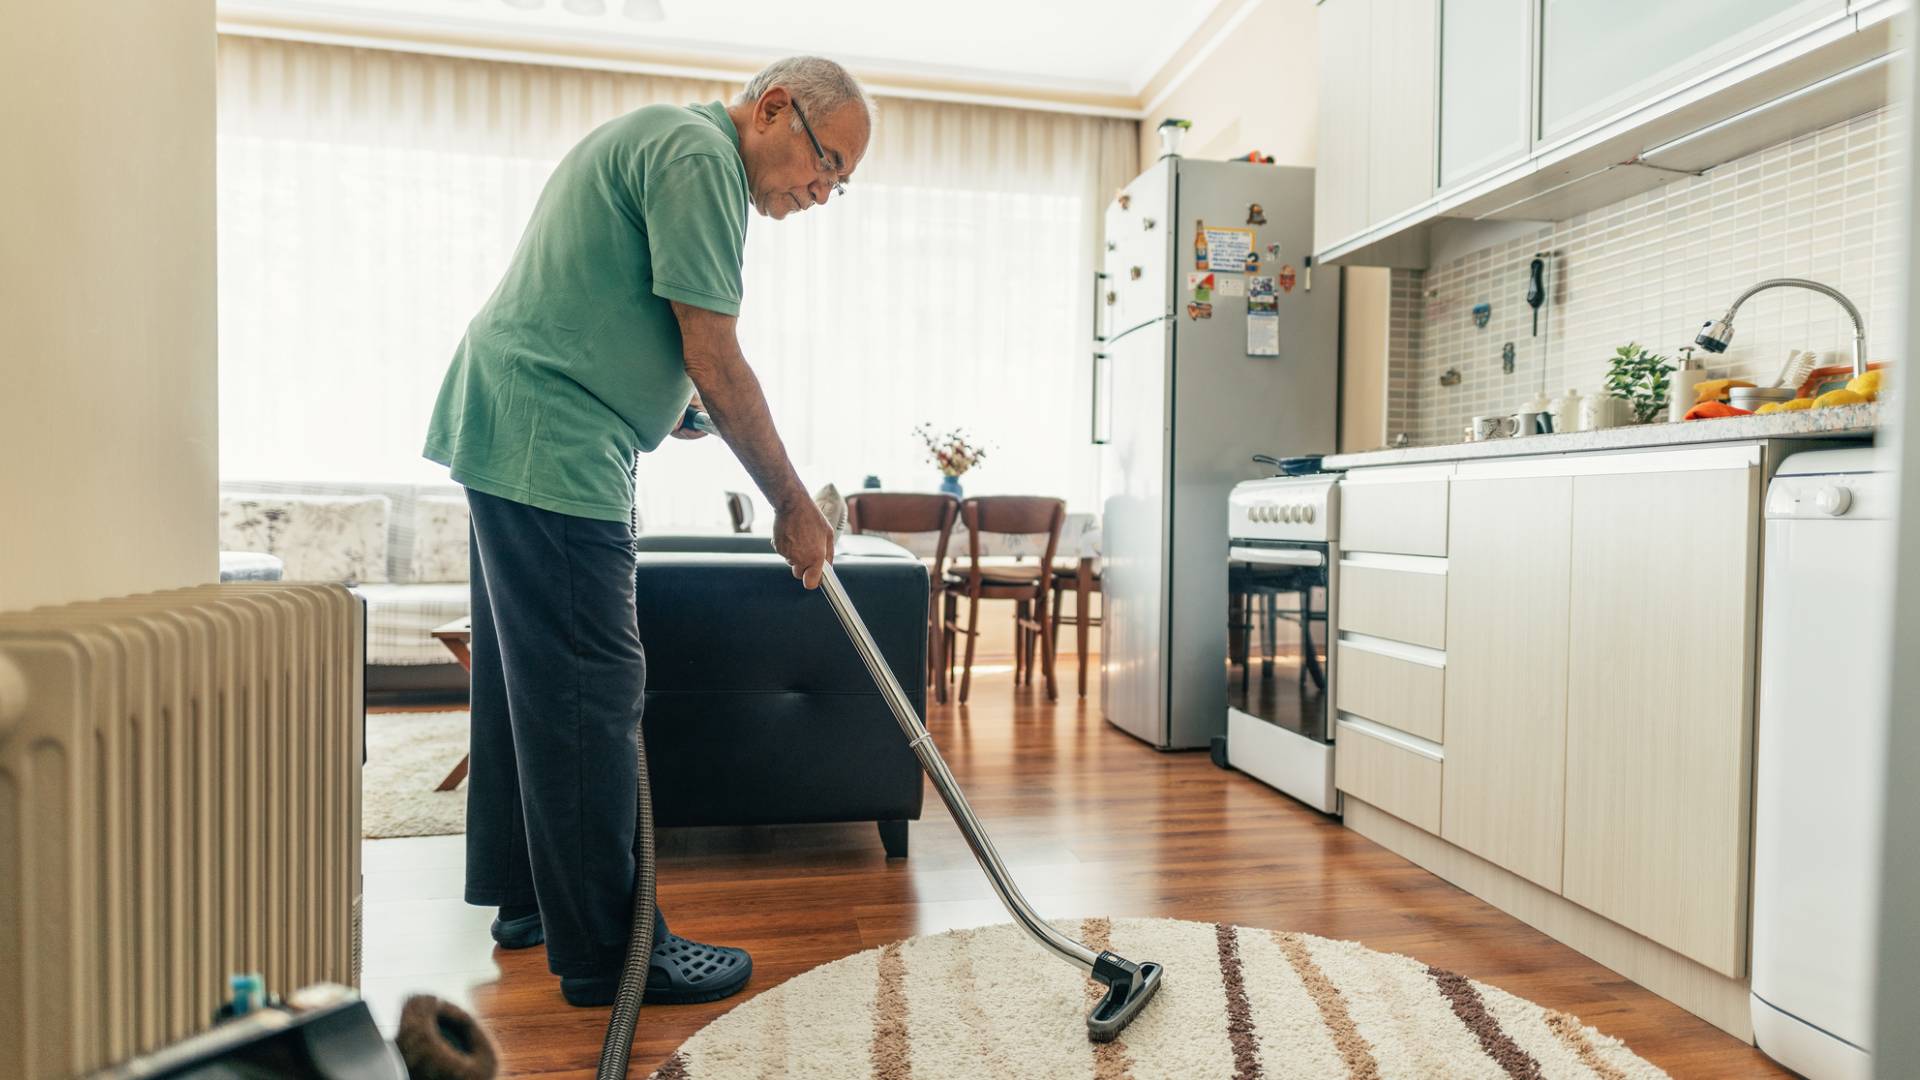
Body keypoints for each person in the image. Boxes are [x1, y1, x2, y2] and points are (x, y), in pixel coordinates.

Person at [422, 56, 873, 1007]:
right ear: (775, 109)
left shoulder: (664, 141)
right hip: (551, 438)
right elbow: (712, 350)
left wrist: (664, 407)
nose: (824, 193)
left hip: (514, 421)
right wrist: (794, 505)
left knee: (523, 684)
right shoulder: (700, 157)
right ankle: (614, 953)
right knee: (592, 693)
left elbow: (619, 313)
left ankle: (528, 901)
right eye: (826, 164)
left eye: (840, 183)